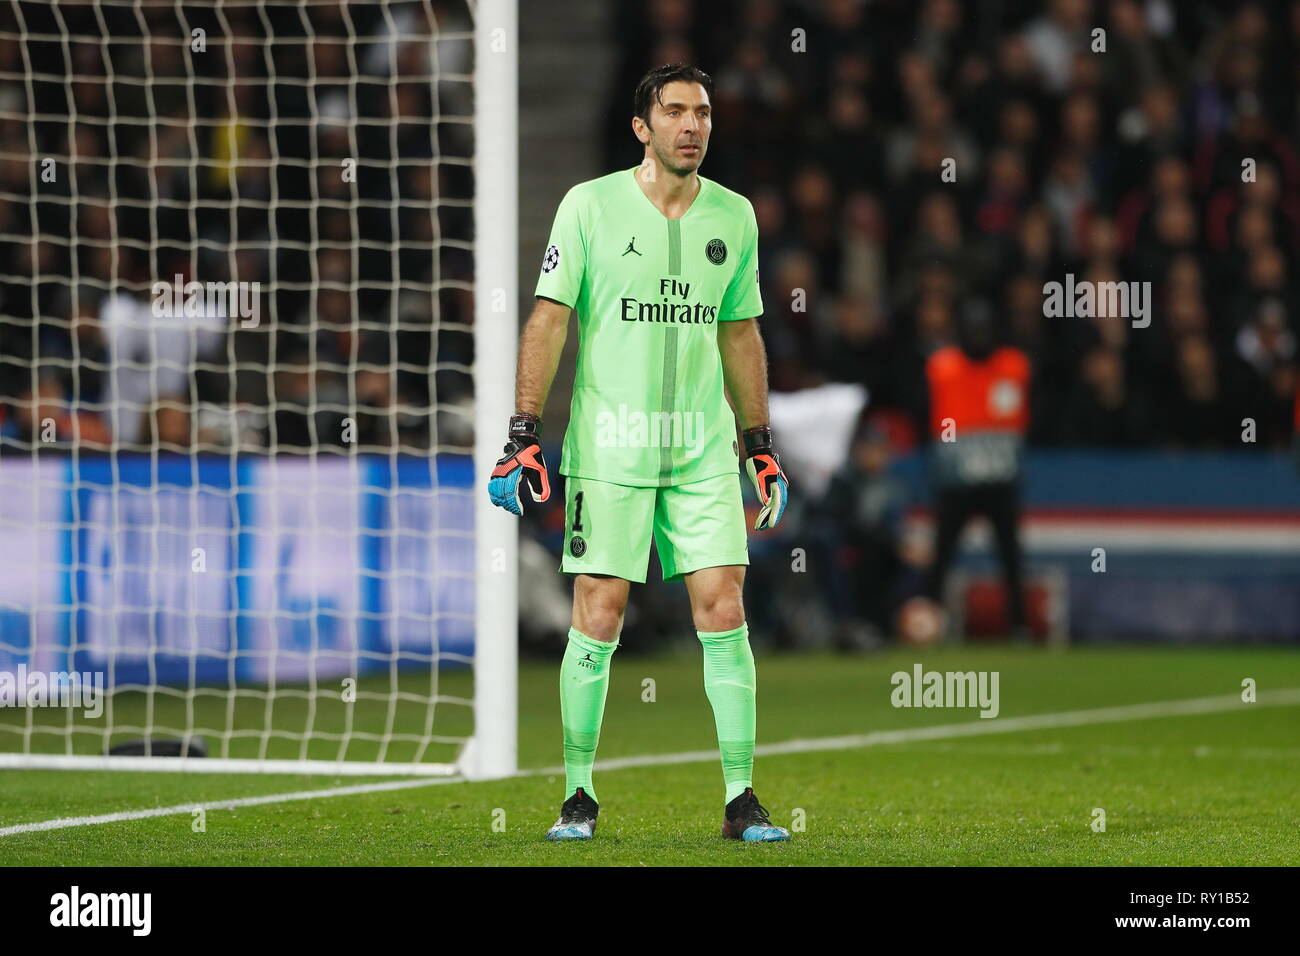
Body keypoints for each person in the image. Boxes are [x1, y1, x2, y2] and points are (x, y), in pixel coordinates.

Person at [487, 64, 791, 842]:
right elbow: (549, 322)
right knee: (600, 610)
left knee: (724, 606)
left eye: (704, 113)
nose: (693, 125)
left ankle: (741, 798)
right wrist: (524, 431)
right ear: (642, 127)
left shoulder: (735, 216)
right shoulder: (587, 207)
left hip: (698, 448)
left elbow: (741, 332)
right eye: (677, 112)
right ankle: (579, 794)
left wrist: (758, 445)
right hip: (611, 447)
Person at [922, 299, 1031, 637]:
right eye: (973, 329)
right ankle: (930, 622)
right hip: (956, 481)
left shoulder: (1014, 366)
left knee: (1011, 556)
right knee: (941, 556)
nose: (978, 336)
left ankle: (1019, 625)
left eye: (984, 329)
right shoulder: (942, 367)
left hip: (1002, 479)